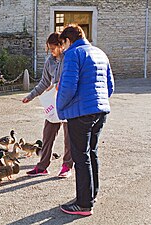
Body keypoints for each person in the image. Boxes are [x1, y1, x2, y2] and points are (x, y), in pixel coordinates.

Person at [57, 25, 114, 216]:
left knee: (80, 157)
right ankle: (91, 194)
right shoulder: (100, 53)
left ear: (68, 40)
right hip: (100, 110)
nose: (62, 48)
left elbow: (68, 87)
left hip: (80, 113)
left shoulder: (73, 54)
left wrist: (60, 108)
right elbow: (110, 86)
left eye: (62, 43)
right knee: (92, 152)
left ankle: (83, 204)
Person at [22, 32, 73, 178]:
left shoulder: (69, 59)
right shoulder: (49, 61)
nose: (51, 51)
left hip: (68, 102)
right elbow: (44, 82)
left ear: (61, 45)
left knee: (69, 137)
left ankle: (67, 166)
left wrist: (59, 84)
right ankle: (42, 166)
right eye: (49, 49)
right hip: (53, 102)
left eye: (53, 48)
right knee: (47, 135)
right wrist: (30, 96)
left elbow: (72, 78)